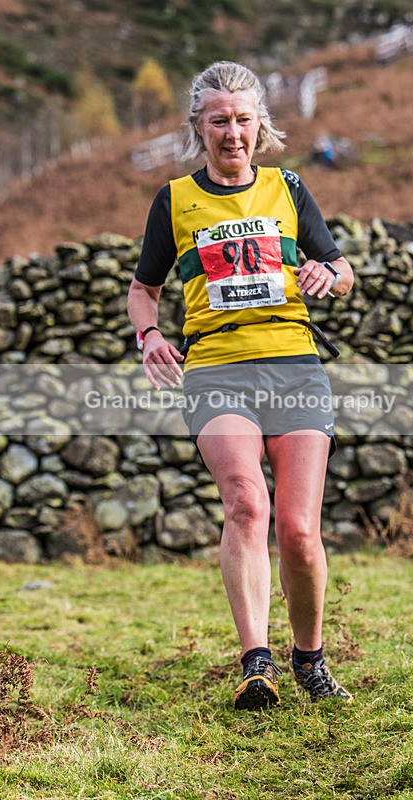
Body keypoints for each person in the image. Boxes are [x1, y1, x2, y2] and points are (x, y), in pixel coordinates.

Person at [127, 61, 354, 711]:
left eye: (244, 119)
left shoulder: (288, 188)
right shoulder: (175, 200)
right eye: (219, 120)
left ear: (262, 125)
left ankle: (308, 658)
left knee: (298, 530)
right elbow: (144, 291)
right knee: (247, 505)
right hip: (217, 371)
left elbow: (342, 270)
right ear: (198, 127)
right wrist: (150, 337)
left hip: (294, 365)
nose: (233, 133)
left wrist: (326, 275)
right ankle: (257, 661)